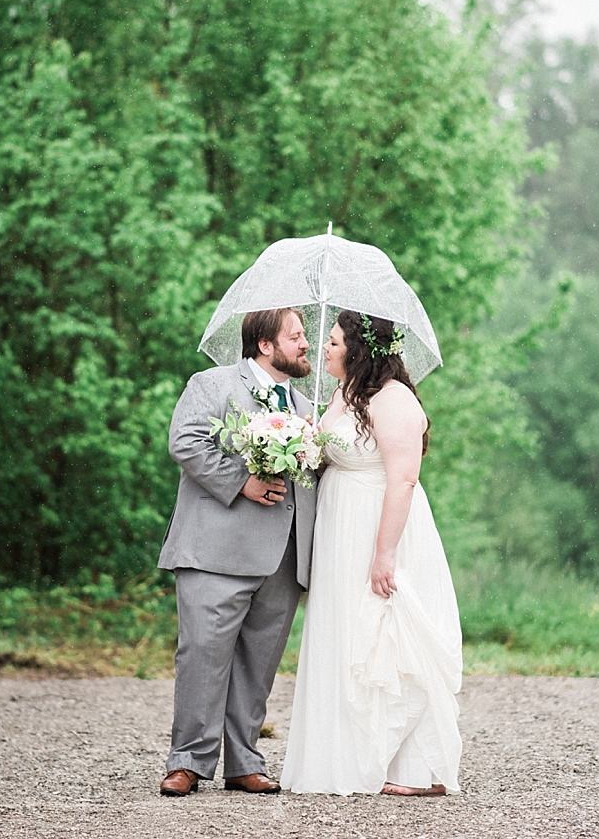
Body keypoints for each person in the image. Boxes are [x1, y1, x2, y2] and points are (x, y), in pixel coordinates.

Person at [281, 309, 462, 796]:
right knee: (343, 631)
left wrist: (384, 555)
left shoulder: (395, 400)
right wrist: (295, 440)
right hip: (340, 529)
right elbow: (324, 453)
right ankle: (346, 759)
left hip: (379, 527)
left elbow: (403, 479)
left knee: (380, 636)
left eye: (334, 342)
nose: (325, 348)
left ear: (359, 351)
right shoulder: (346, 395)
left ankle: (398, 765)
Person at [158, 307, 317, 796]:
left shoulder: (307, 407)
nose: (306, 343)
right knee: (203, 656)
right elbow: (184, 442)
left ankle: (244, 761)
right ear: (265, 345)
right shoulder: (211, 384)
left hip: (283, 557)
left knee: (258, 663)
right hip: (215, 549)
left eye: (306, 335)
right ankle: (188, 761)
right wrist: (241, 481)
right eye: (296, 336)